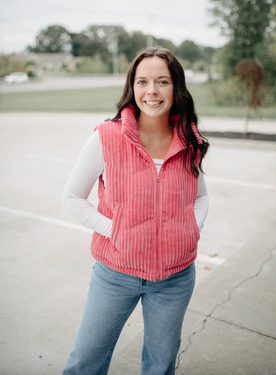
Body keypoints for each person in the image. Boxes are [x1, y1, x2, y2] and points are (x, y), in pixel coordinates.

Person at [62, 47, 209, 375]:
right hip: (115, 274)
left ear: (176, 88)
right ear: (132, 87)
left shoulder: (190, 141)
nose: (152, 91)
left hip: (175, 278)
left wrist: (190, 228)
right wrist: (116, 230)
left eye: (162, 81)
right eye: (142, 81)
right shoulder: (107, 137)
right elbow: (72, 197)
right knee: (85, 363)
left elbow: (201, 198)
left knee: (160, 366)